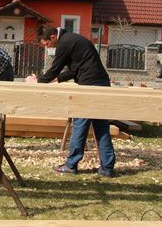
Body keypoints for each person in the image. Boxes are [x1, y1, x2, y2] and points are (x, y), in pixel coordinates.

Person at [29, 25, 115, 177]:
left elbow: (55, 68)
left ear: (53, 37)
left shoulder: (64, 43)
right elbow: (75, 70)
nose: (47, 47)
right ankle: (107, 168)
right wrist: (57, 80)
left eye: (47, 44)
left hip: (90, 86)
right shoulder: (72, 39)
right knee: (101, 127)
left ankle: (71, 165)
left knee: (80, 124)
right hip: (101, 83)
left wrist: (37, 82)